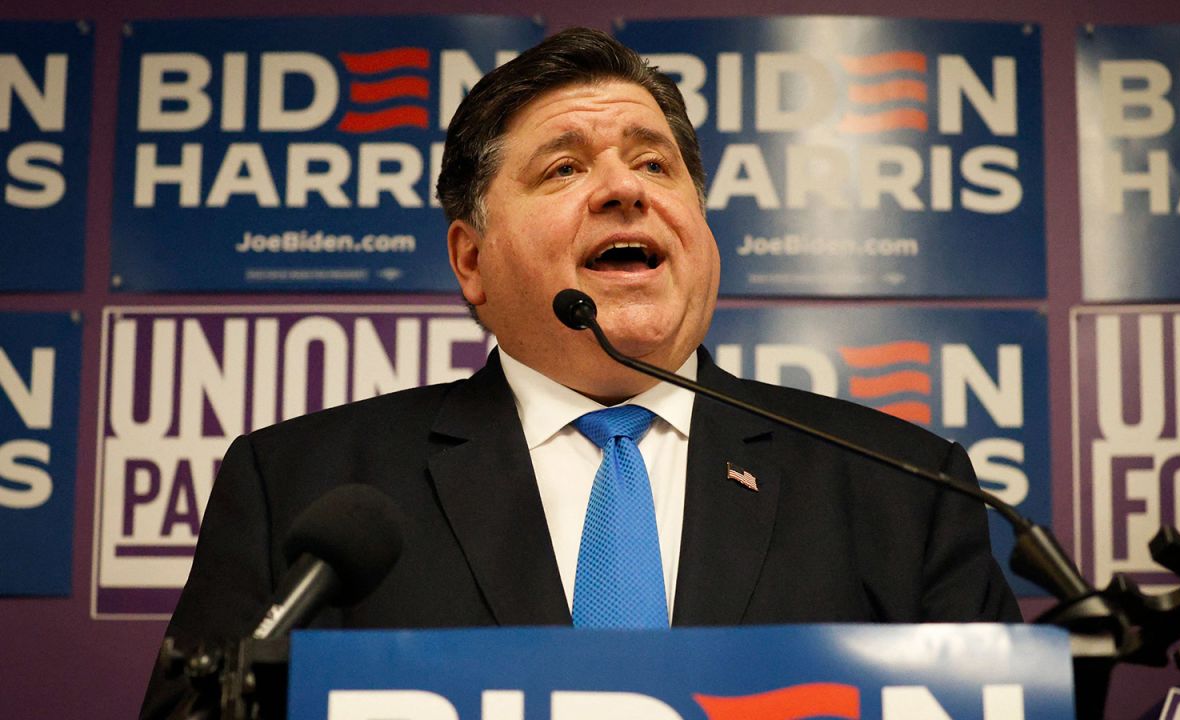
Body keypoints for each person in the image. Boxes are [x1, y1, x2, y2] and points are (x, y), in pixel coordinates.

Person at [140, 26, 1018, 718]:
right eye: (564, 167)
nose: (624, 190)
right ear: (472, 260)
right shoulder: (299, 486)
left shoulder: (900, 489)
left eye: (653, 163)